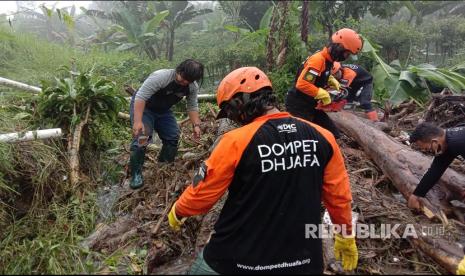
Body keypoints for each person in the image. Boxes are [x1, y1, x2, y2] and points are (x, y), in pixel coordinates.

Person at [167, 67, 357, 274]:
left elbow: (202, 194)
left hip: (236, 259)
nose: (233, 118)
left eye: (229, 111)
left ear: (240, 102)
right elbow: (338, 196)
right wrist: (345, 234)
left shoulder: (235, 141)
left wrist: (179, 210)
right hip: (303, 261)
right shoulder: (323, 136)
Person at [129, 59, 204, 189]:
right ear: (178, 70)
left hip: (163, 110)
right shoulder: (161, 77)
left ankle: (164, 166)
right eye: (183, 78)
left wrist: (196, 125)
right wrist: (137, 121)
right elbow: (140, 97)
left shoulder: (192, 87)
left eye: (189, 80)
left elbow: (192, 105)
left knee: (173, 136)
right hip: (145, 107)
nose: (185, 82)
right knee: (142, 137)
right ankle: (136, 174)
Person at [285, 28, 363, 139]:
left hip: (311, 104)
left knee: (334, 134)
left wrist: (331, 79)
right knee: (303, 138)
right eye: (347, 53)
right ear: (339, 47)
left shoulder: (328, 60)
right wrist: (322, 93)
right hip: (298, 105)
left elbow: (319, 74)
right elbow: (302, 84)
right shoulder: (318, 60)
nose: (346, 57)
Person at [407, 123, 465, 209]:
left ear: (435, 141)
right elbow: (435, 171)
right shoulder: (447, 143)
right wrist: (416, 195)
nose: (428, 152)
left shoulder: (458, 142)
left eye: (428, 149)